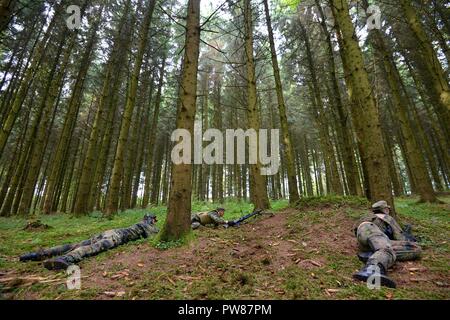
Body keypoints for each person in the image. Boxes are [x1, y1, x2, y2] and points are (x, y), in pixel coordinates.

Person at [19, 214, 159, 270]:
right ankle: (66, 258)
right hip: (116, 236)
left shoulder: (138, 224)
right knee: (93, 248)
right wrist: (155, 228)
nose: (154, 222)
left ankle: (36, 255)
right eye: (154, 220)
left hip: (109, 232)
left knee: (76, 244)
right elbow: (151, 237)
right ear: (150, 219)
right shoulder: (145, 224)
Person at [352, 200, 422, 288]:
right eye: (387, 208)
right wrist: (408, 236)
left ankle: (374, 255)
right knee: (387, 249)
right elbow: (400, 237)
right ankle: (372, 269)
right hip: (370, 231)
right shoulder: (386, 217)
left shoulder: (369, 217)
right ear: (385, 209)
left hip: (367, 239)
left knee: (414, 248)